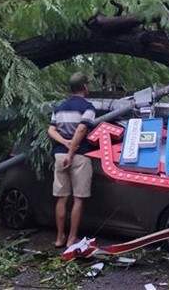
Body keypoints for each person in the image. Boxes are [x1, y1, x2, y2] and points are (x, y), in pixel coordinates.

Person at [47, 72, 96, 248]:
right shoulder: (88, 108)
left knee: (61, 198)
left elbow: (51, 131)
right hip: (79, 156)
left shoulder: (59, 108)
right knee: (78, 198)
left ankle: (59, 237)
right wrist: (72, 150)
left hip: (59, 155)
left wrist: (64, 143)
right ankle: (71, 238)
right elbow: (81, 130)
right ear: (84, 87)